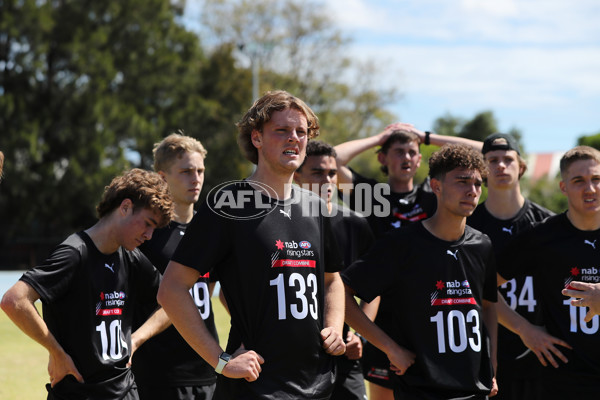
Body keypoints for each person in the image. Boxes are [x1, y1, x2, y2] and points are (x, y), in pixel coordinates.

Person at [157, 90, 346, 399]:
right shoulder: (226, 204)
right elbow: (172, 289)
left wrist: (334, 326)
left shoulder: (315, 207)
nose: (294, 139)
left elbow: (333, 280)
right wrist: (220, 361)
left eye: (301, 132)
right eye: (282, 131)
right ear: (256, 138)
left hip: (318, 385)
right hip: (256, 386)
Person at [1, 168, 174, 400]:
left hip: (125, 391)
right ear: (125, 207)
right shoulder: (74, 253)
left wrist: (136, 339)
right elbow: (14, 300)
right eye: (147, 223)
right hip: (78, 392)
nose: (149, 235)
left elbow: (172, 301)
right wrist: (56, 352)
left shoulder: (131, 257)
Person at [334, 125, 481, 399]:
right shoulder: (372, 197)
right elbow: (332, 159)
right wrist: (379, 138)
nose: (406, 157)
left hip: (430, 313)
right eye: (398, 151)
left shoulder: (432, 195)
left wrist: (427, 138)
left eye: (412, 152)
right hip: (383, 318)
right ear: (383, 158)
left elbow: (485, 154)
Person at [497, 145, 600, 399]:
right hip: (565, 382)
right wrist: (524, 329)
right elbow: (481, 286)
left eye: (597, 179)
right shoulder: (542, 236)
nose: (590, 189)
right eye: (579, 181)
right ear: (563, 187)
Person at [466, 133, 558, 399]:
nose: (501, 166)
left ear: (522, 167)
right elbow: (474, 292)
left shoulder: (547, 224)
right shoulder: (467, 225)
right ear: (483, 170)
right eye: (492, 160)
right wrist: (523, 328)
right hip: (485, 353)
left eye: (508, 159)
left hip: (544, 353)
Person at [132, 133, 218, 400]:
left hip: (208, 368)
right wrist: (134, 340)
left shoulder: (212, 230)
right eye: (186, 171)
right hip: (159, 374)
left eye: (200, 170)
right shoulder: (145, 236)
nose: (196, 179)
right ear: (162, 177)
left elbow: (208, 286)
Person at [294, 140, 374, 400]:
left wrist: (360, 335)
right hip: (293, 352)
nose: (327, 180)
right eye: (317, 172)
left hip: (344, 350)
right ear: (296, 176)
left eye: (331, 173)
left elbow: (374, 289)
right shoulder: (279, 223)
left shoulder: (355, 224)